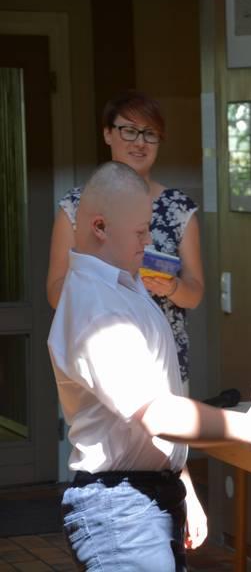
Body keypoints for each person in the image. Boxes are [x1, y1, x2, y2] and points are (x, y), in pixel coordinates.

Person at [47, 162, 251, 571]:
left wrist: (182, 486)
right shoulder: (97, 309)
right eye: (140, 231)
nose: (148, 240)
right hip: (120, 509)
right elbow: (157, 414)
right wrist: (246, 427)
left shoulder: (124, 287)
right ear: (100, 227)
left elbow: (146, 417)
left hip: (145, 497)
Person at [47, 90, 203, 391]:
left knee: (169, 419)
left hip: (164, 361)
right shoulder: (76, 206)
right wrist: (104, 279)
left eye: (150, 133)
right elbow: (55, 293)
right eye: (129, 131)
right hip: (98, 355)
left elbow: (194, 293)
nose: (140, 142)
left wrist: (170, 286)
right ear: (108, 134)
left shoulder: (178, 208)